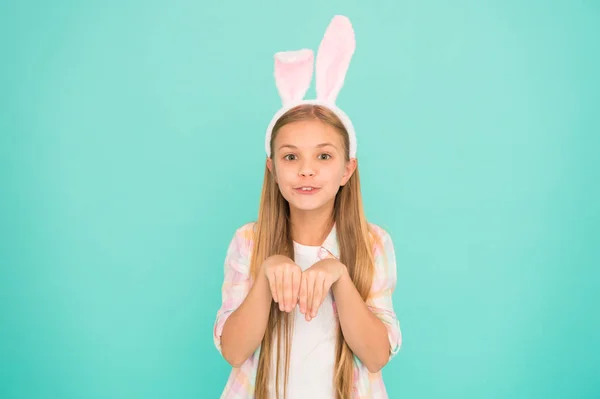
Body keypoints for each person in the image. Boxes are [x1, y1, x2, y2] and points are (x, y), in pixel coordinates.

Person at [213, 15, 402, 399]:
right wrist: (267, 273)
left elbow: (377, 355)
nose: (307, 171)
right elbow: (233, 350)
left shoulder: (373, 244)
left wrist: (340, 277)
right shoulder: (249, 242)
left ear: (348, 169)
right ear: (272, 168)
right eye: (290, 157)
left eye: (324, 156)